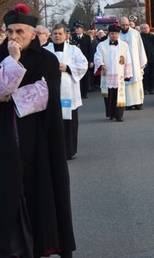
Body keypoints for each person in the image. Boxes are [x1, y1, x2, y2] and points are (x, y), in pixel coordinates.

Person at [0, 4, 75, 256]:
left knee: (38, 195)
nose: (14, 36)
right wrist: (13, 62)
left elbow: (44, 96)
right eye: (10, 31)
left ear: (32, 34)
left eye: (20, 31)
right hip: (2, 142)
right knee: (4, 196)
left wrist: (9, 97)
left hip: (37, 141)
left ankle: (38, 245)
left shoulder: (46, 60)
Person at [44, 24, 88, 160]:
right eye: (55, 33)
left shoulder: (74, 50)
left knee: (69, 123)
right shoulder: (45, 50)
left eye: (60, 34)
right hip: (51, 91)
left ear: (66, 35)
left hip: (69, 90)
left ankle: (69, 151)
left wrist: (68, 68)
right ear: (51, 35)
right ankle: (54, 152)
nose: (57, 36)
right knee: (53, 122)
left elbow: (83, 65)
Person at [94, 24, 132, 122]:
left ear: (118, 34)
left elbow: (128, 59)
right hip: (107, 74)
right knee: (109, 95)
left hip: (119, 74)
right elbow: (97, 57)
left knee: (119, 95)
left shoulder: (124, 45)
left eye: (116, 33)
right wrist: (101, 65)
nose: (114, 35)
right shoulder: (101, 45)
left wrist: (127, 73)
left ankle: (119, 115)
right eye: (112, 34)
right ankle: (111, 114)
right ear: (108, 34)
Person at [119, 17, 148, 110]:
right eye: (123, 25)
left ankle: (138, 102)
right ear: (120, 24)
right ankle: (128, 103)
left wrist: (142, 62)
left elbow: (140, 48)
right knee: (126, 84)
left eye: (127, 25)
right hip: (123, 64)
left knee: (137, 83)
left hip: (135, 63)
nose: (125, 26)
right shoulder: (117, 34)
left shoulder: (135, 33)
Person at [70, 21, 94, 98]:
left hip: (85, 59)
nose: (76, 30)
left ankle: (84, 92)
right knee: (77, 76)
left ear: (82, 29)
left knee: (85, 77)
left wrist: (91, 61)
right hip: (75, 60)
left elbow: (90, 50)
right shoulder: (73, 37)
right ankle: (78, 93)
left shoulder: (87, 37)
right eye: (76, 28)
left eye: (78, 28)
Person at [139, 23, 154, 95]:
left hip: (153, 57)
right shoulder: (139, 37)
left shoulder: (152, 36)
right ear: (141, 29)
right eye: (144, 28)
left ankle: (152, 88)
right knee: (145, 74)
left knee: (152, 73)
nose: (146, 29)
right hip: (144, 58)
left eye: (147, 28)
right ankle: (145, 88)